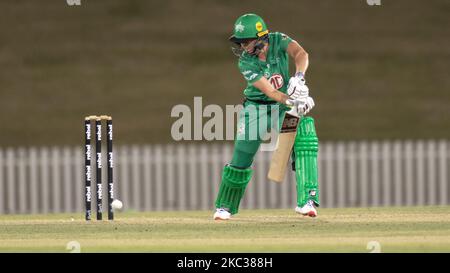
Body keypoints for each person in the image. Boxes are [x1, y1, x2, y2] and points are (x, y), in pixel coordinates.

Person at [213, 13, 320, 220]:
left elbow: (301, 54)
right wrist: (294, 102)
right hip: (256, 108)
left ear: (262, 37)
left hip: (281, 110)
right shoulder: (246, 62)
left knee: (305, 136)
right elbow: (271, 92)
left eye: (246, 42)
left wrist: (299, 78)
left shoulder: (279, 39)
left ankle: (307, 200)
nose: (243, 47)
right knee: (241, 157)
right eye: (241, 43)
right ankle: (224, 206)